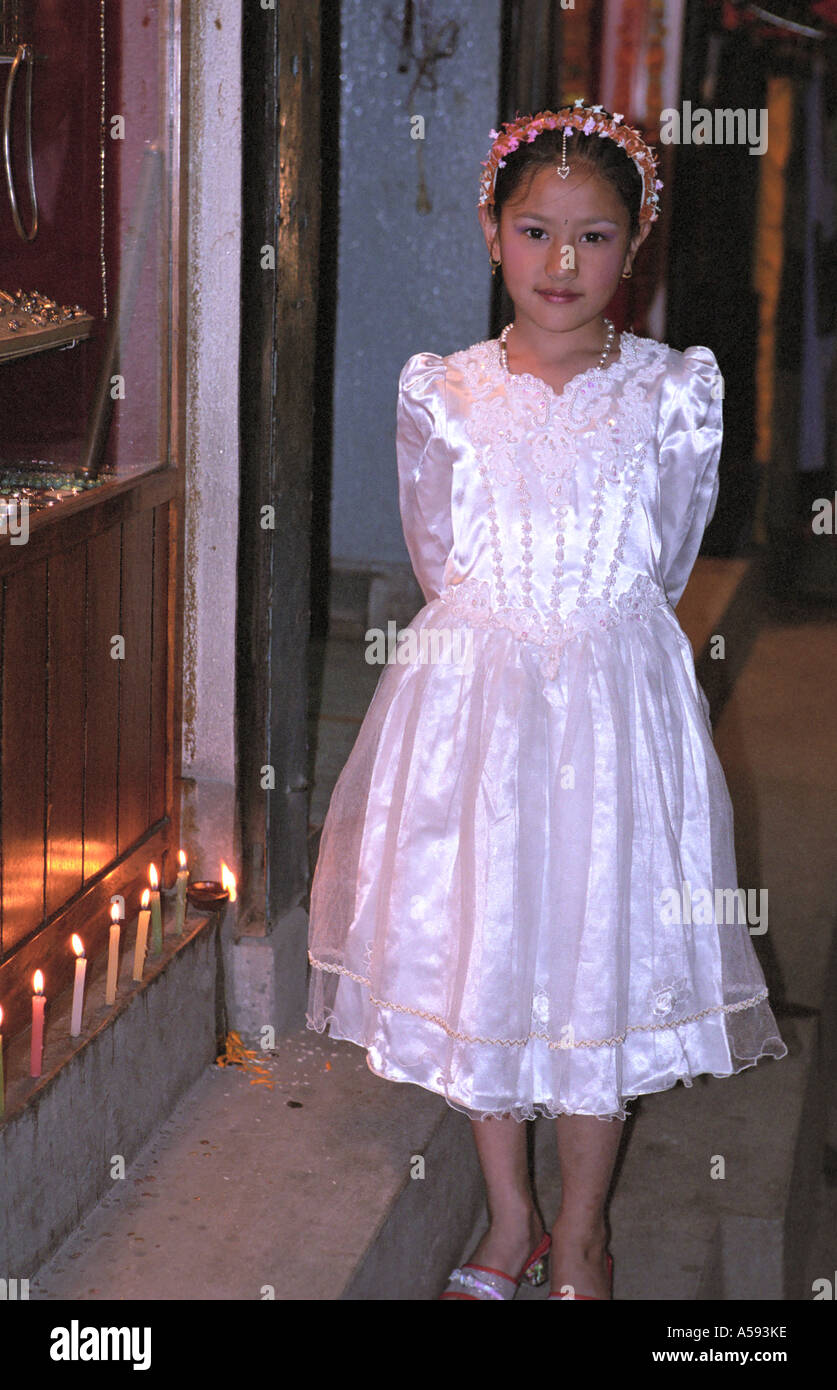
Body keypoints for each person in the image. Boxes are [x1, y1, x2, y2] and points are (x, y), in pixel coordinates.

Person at [305, 102, 787, 1301]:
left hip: (615, 711)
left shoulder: (671, 392)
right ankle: (508, 1213)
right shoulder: (446, 392)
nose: (562, 264)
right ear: (490, 232)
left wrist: (589, 644)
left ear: (640, 243)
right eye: (535, 231)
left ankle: (581, 1233)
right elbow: (437, 556)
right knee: (489, 948)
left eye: (595, 236)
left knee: (594, 963)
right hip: (478, 708)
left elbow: (668, 560)